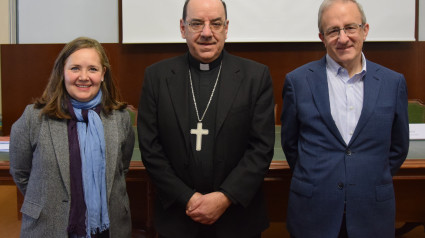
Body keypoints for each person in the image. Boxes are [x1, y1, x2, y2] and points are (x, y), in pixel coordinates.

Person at [137, 0, 275, 237]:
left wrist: (225, 197)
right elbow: (150, 148)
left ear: (226, 27)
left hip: (238, 220)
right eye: (197, 23)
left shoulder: (256, 76)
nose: (207, 33)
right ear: (183, 28)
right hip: (177, 219)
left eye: (216, 24)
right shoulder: (157, 77)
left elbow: (261, 148)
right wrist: (186, 197)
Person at [280, 0, 409, 237]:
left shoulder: (393, 83)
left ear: (365, 30)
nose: (343, 38)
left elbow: (399, 147)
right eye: (333, 30)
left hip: (372, 211)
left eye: (350, 27)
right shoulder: (297, 82)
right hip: (313, 211)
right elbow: (290, 144)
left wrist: (365, 174)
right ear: (322, 37)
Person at [9, 37, 135, 237]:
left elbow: (121, 169)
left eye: (92, 69)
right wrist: (48, 203)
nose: (83, 77)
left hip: (108, 229)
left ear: (103, 73)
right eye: (75, 68)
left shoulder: (120, 118)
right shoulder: (34, 117)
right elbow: (20, 172)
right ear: (62, 72)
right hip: (49, 227)